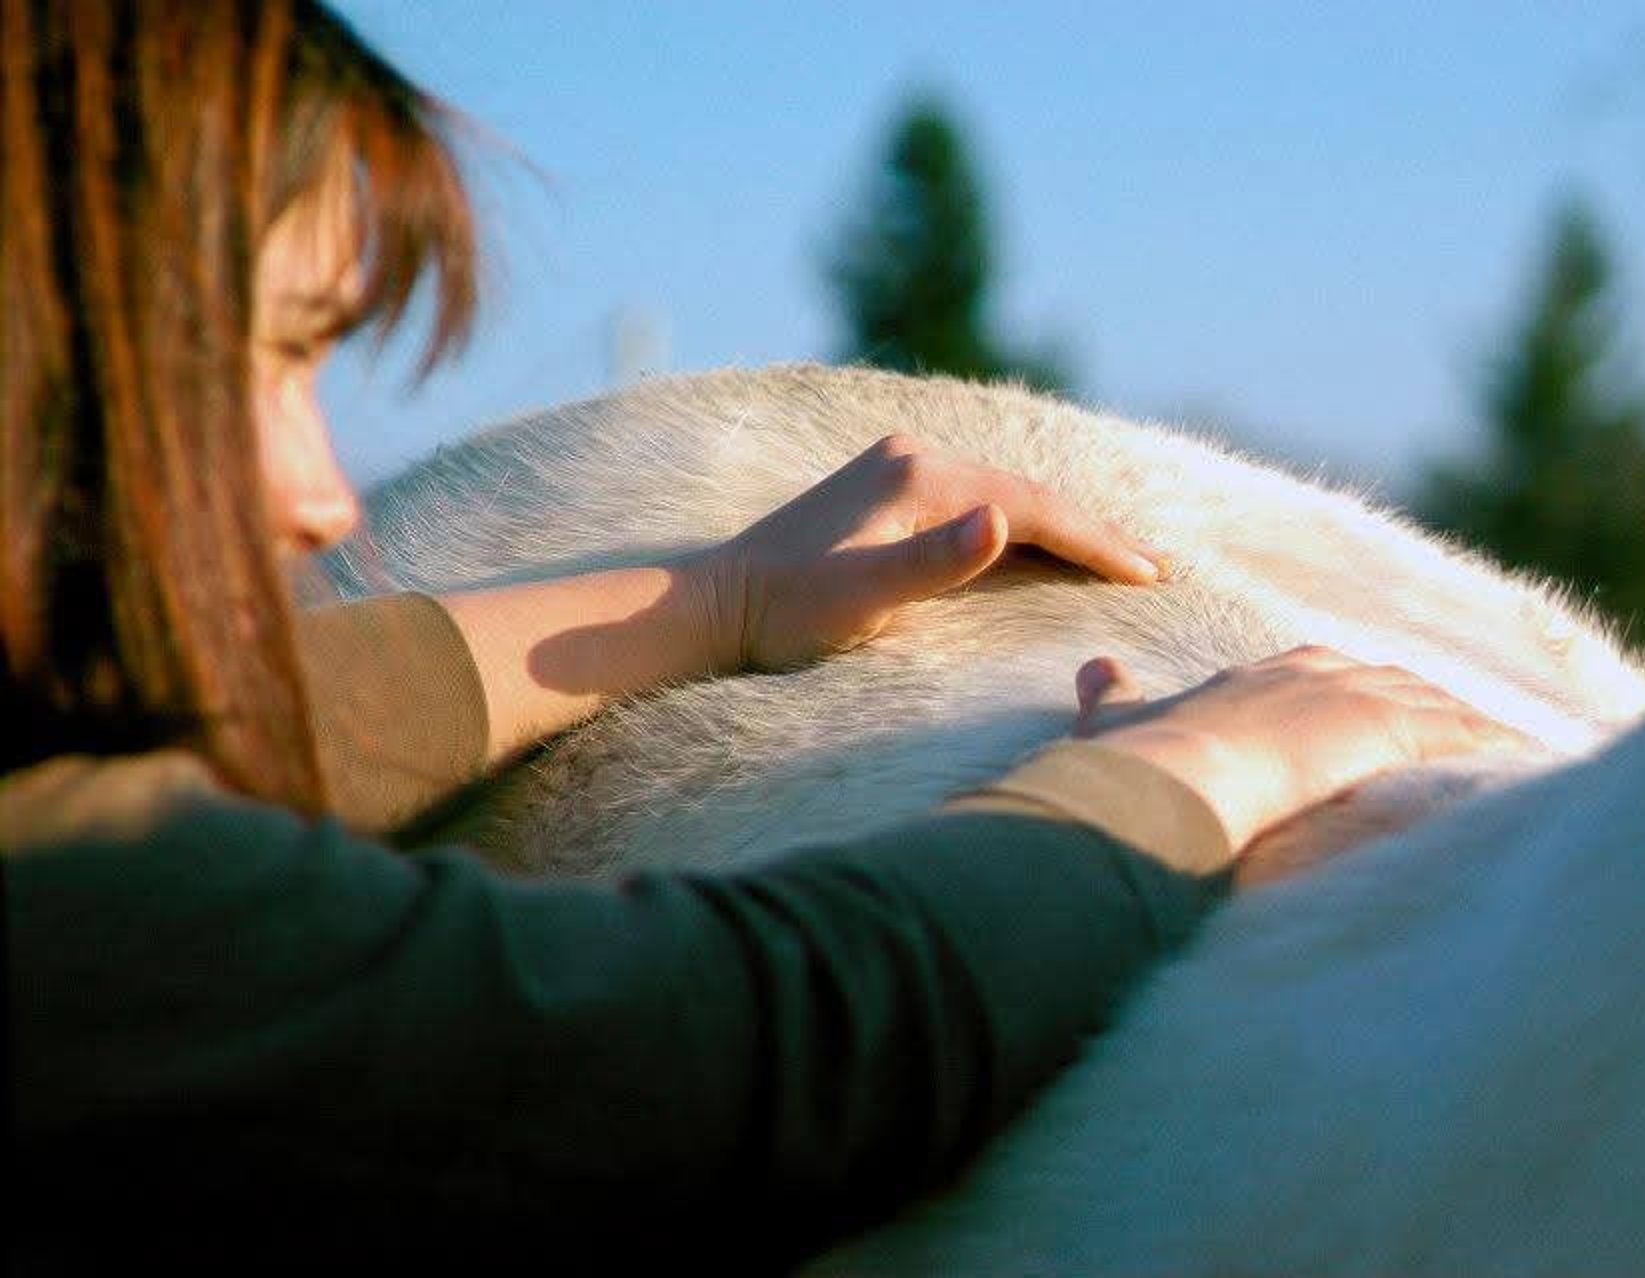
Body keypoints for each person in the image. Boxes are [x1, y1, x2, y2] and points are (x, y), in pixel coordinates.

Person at [0, 2, 1526, 1271]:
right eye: (250, 362)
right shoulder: (83, 908)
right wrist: (1178, 781)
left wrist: (704, 602)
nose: (328, 497)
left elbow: (274, 724)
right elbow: (715, 1060)